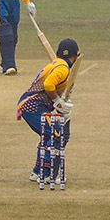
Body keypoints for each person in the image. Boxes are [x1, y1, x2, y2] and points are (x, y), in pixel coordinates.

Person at [17, 38, 79, 182]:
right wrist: (56, 101)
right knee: (55, 134)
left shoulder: (57, 63)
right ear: (74, 56)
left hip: (29, 105)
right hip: (32, 106)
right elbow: (49, 85)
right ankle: (46, 174)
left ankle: (37, 172)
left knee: (48, 134)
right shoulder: (63, 68)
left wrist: (61, 101)